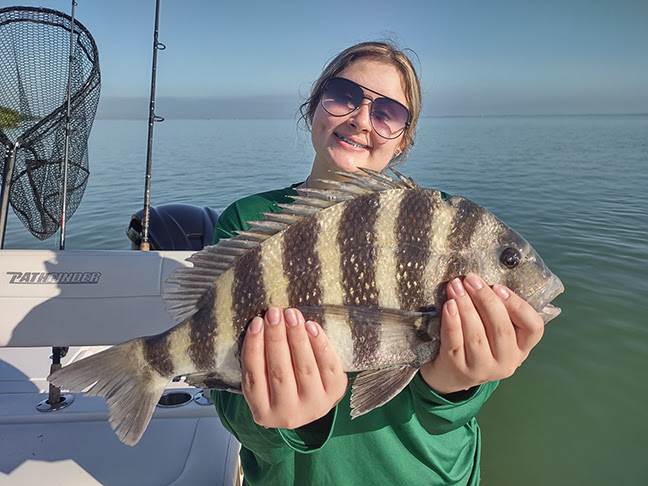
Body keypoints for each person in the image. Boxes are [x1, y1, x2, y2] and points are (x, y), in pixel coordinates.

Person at [210, 42, 545, 485]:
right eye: (344, 95)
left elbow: (448, 416)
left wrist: (456, 385)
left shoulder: (443, 228)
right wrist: (277, 420)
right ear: (315, 104)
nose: (361, 119)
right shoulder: (250, 222)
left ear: (403, 139)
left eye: (387, 112)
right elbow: (238, 416)